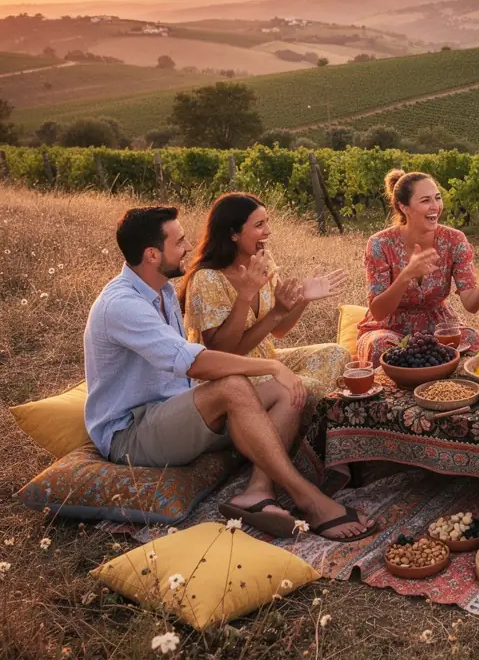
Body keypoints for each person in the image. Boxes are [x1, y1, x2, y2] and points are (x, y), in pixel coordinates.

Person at [84, 206, 375, 541]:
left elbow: (264, 333)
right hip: (133, 433)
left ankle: (256, 491)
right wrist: (270, 365)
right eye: (179, 242)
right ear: (152, 254)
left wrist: (290, 308)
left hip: (174, 409)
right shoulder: (122, 305)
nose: (188, 247)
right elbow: (195, 361)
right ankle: (309, 498)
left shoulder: (160, 290)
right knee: (236, 386)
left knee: (285, 391)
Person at [181, 193, 348, 404]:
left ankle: (300, 414)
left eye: (267, 222)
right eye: (259, 225)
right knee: (308, 386)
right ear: (233, 233)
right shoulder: (207, 278)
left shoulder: (263, 264)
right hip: (230, 375)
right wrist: (247, 296)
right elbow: (223, 353)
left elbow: (279, 329)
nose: (268, 231)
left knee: (336, 353)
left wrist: (304, 299)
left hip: (266, 358)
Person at [356, 169, 479, 365]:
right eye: (425, 201)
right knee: (381, 346)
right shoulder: (380, 244)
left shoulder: (454, 240)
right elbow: (379, 311)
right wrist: (406, 275)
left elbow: (471, 305)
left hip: (437, 326)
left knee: (472, 339)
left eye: (437, 198)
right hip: (389, 328)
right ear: (403, 206)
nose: (435, 207)